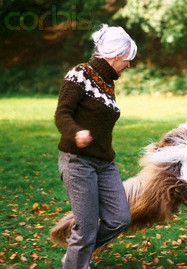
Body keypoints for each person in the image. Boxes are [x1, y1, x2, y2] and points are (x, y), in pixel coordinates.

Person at [54, 24, 137, 268]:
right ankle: (78, 260)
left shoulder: (107, 83)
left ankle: (78, 250)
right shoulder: (80, 74)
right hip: (77, 161)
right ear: (115, 56)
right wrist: (76, 132)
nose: (129, 65)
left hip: (104, 163)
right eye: (127, 59)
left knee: (120, 218)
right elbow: (62, 114)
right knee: (87, 226)